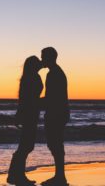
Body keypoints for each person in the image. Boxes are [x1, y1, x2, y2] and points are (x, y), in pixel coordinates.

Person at [7, 56, 43, 185]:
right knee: (26, 146)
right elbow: (28, 99)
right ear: (33, 65)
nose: (40, 63)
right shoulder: (32, 77)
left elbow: (24, 98)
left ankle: (14, 175)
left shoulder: (28, 77)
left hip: (29, 113)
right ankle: (17, 176)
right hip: (30, 114)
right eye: (37, 62)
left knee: (25, 145)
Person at [41, 47, 69, 186]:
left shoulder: (54, 74)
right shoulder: (56, 72)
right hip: (60, 112)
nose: (41, 60)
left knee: (55, 144)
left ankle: (60, 177)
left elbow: (51, 97)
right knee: (56, 144)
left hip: (56, 113)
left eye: (43, 57)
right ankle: (60, 176)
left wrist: (33, 102)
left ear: (49, 58)